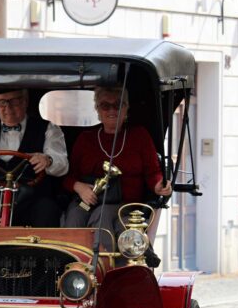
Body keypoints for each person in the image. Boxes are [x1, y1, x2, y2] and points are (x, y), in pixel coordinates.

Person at [63, 86, 172, 234]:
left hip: (126, 204)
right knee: (75, 215)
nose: (112, 110)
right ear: (98, 110)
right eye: (105, 106)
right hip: (88, 200)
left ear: (126, 109)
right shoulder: (85, 139)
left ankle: (102, 258)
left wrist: (159, 185)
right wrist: (79, 187)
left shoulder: (139, 136)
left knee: (102, 215)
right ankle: (71, 257)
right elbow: (67, 176)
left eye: (118, 105)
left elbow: (153, 173)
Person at [0, 89, 69, 227]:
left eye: (14, 101)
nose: (8, 108)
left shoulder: (48, 129)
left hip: (31, 201)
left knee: (48, 211)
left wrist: (48, 160)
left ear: (25, 101)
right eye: (2, 103)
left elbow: (63, 164)